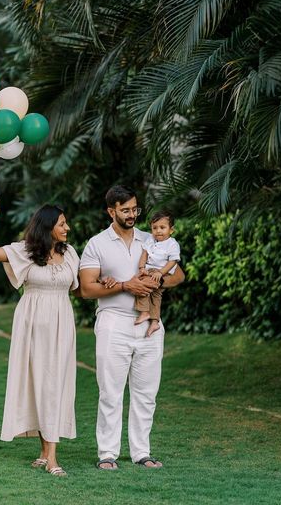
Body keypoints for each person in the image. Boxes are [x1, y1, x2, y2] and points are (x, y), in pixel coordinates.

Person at [79, 185, 184, 470]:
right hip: (113, 323)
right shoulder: (97, 243)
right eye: (124, 210)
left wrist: (157, 281)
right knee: (110, 392)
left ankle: (141, 452)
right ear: (110, 211)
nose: (131, 214)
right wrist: (126, 285)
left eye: (134, 208)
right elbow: (86, 289)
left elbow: (178, 275)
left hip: (149, 324)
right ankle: (107, 454)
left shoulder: (153, 238)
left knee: (146, 393)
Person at [0, 194, 80, 477]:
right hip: (33, 324)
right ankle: (50, 457)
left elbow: (78, 287)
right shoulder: (24, 251)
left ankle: (48, 453)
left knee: (57, 385)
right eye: (62, 223)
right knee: (39, 383)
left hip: (62, 324)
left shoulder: (70, 253)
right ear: (47, 226)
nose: (67, 227)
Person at [134, 211, 180, 332]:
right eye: (155, 228)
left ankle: (144, 312)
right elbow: (144, 254)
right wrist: (141, 268)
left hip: (162, 271)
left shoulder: (172, 244)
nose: (158, 231)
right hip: (150, 270)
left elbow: (173, 261)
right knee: (156, 295)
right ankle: (155, 321)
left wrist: (160, 273)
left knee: (142, 284)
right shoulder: (150, 240)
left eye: (162, 227)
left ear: (171, 230)